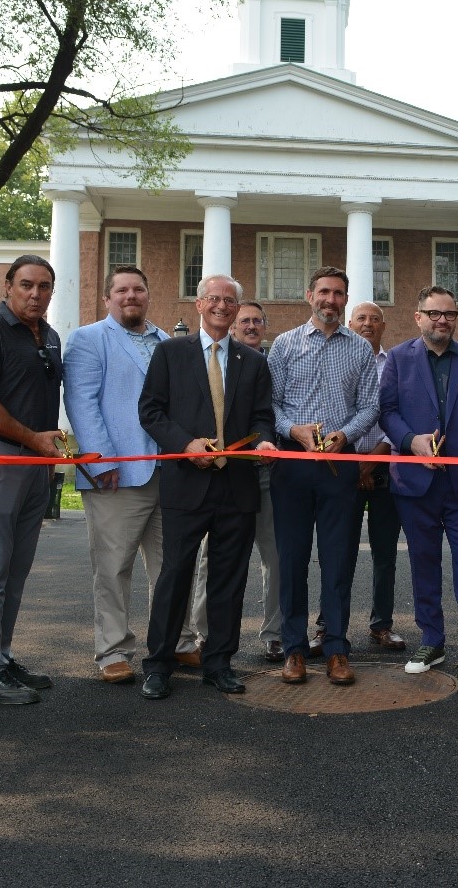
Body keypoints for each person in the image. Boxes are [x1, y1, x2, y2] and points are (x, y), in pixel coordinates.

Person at [137, 275, 276, 700]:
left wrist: (265, 439)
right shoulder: (170, 352)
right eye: (213, 299)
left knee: (228, 580)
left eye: (228, 301)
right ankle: (158, 664)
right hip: (186, 484)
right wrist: (185, 443)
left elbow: (262, 416)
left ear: (236, 309)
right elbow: (150, 411)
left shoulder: (252, 361)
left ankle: (219, 662)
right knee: (174, 575)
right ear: (199, 304)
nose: (221, 306)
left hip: (237, 485)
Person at [64, 266, 197, 684]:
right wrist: (100, 462)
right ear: (107, 298)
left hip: (169, 472)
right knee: (113, 567)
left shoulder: (167, 341)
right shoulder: (88, 339)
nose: (130, 295)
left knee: (173, 566)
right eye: (121, 290)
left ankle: (176, 642)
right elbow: (82, 405)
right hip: (115, 474)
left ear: (148, 295)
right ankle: (113, 650)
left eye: (138, 288)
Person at [379, 285, 458, 677]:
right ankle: (431, 640)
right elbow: (387, 409)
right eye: (434, 313)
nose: (443, 320)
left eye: (449, 314)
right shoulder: (398, 359)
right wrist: (409, 441)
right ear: (419, 317)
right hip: (415, 484)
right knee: (423, 561)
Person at [268, 266, 380, 687]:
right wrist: (291, 430)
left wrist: (346, 434)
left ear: (345, 301)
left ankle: (336, 650)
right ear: (309, 294)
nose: (331, 300)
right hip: (293, 465)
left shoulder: (360, 349)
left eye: (338, 294)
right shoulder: (283, 345)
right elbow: (271, 404)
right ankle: (294, 650)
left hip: (340, 465)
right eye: (324, 292)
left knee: (338, 562)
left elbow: (371, 406)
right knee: (292, 560)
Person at [0, 254, 64, 705]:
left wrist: (44, 446)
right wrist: (31, 438)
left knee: (16, 570)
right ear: (7, 286)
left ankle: (1, 655)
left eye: (44, 287)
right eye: (26, 285)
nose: (35, 294)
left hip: (35, 464)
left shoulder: (51, 336)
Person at [345, 301, 407, 653]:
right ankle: (328, 626)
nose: (368, 324)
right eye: (361, 319)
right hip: (344, 468)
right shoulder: (341, 360)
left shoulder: (395, 365)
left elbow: (400, 411)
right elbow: (334, 410)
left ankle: (381, 625)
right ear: (350, 324)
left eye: (374, 319)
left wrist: (377, 457)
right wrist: (355, 462)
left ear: (384, 326)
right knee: (340, 551)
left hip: (387, 468)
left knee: (385, 554)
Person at [230, 300, 283, 663]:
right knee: (216, 558)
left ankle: (275, 634)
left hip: (267, 474)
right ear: (233, 326)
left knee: (275, 557)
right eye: (244, 321)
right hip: (227, 475)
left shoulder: (272, 363)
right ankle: (204, 635)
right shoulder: (215, 360)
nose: (251, 326)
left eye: (257, 321)